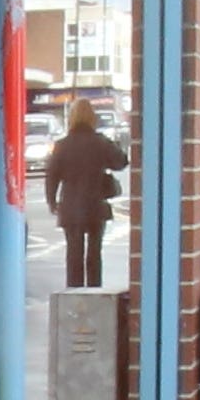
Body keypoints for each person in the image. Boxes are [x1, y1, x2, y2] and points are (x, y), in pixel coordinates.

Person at [43, 98, 128, 293]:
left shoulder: (62, 145)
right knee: (94, 253)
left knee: (74, 253)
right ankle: (94, 293)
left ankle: (74, 294)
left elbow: (52, 177)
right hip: (96, 206)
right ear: (93, 118)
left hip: (71, 207)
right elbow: (121, 161)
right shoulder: (101, 142)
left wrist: (52, 202)